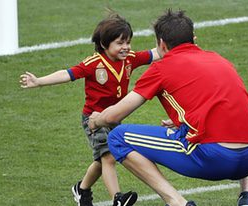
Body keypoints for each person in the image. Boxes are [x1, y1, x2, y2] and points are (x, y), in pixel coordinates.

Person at [88, 9, 248, 206]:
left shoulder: (160, 68)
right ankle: (247, 195)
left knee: (117, 137)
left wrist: (96, 119)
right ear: (194, 39)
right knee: (238, 116)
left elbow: (115, 116)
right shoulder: (219, 59)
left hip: (216, 158)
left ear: (161, 45)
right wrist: (182, 123)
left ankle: (177, 202)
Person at [19, 13, 160, 206]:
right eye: (120, 43)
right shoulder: (93, 64)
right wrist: (39, 81)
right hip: (93, 118)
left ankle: (82, 189)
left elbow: (157, 53)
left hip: (114, 118)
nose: (126, 47)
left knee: (102, 159)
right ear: (104, 44)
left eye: (128, 42)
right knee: (109, 155)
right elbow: (67, 74)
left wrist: (181, 43)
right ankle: (117, 198)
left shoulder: (130, 59)